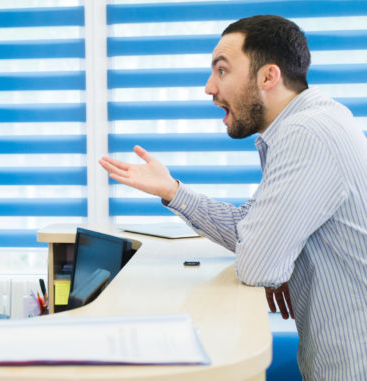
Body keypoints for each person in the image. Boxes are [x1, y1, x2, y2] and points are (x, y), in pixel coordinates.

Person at [99, 15, 367, 379]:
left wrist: (279, 257)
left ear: (268, 77)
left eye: (222, 71)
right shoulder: (309, 124)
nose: (209, 87)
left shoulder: (307, 135)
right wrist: (172, 191)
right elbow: (251, 228)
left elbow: (259, 265)